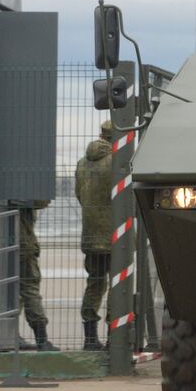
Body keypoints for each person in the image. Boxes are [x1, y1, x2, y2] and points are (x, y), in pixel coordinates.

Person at [75, 121, 115, 350]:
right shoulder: (117, 163)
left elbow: (79, 196)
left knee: (94, 284)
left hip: (90, 235)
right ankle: (114, 337)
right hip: (114, 236)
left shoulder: (82, 163)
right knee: (118, 286)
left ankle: (90, 337)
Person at [16, 200, 58, 351]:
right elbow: (42, 200)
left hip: (1, 244)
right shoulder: (23, 182)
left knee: (10, 292)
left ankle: (10, 335)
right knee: (30, 291)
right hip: (24, 246)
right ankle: (42, 339)